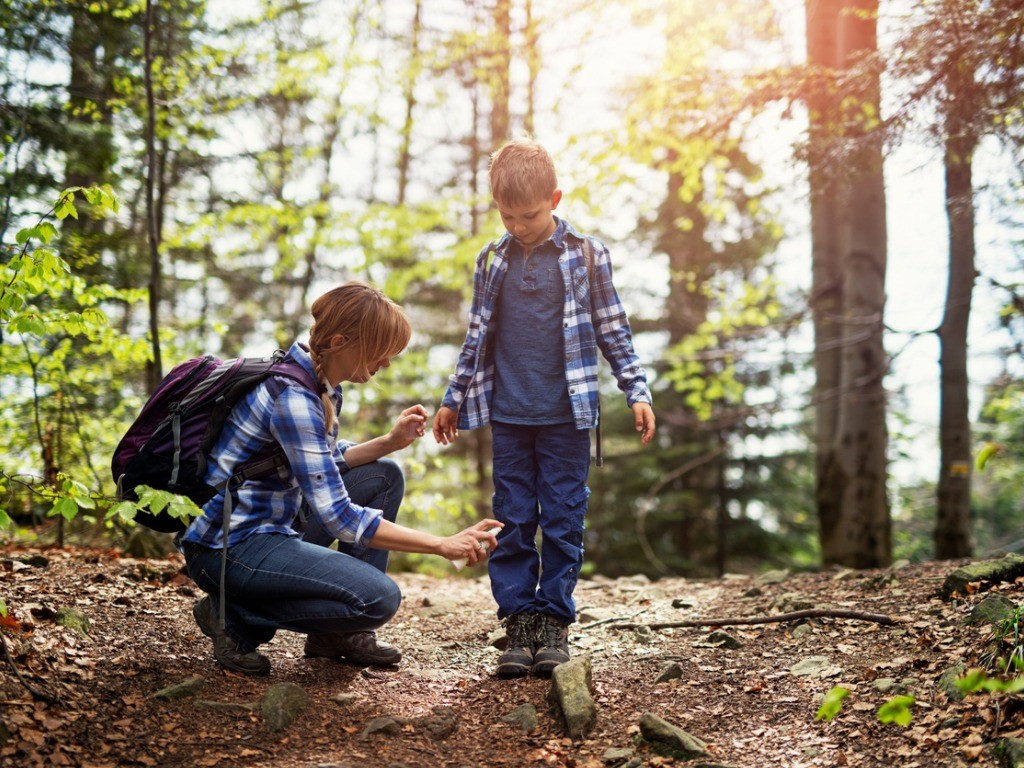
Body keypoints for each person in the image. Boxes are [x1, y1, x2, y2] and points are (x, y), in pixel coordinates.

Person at [179, 281, 501, 676]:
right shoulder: (294, 398)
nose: (386, 362)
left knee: (383, 476)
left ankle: (335, 636)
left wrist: (389, 442)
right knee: (378, 599)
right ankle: (232, 616)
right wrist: (441, 544)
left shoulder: (318, 384)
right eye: (381, 351)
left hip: (274, 525)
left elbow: (324, 464)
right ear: (341, 341)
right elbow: (339, 517)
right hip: (230, 546)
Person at [432, 137, 655, 678]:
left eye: (528, 214)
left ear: (554, 198)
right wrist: (452, 398)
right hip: (508, 416)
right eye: (507, 215)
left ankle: (552, 619)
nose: (517, 225)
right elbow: (477, 337)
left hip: (567, 419)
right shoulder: (492, 260)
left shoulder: (585, 255)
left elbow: (612, 328)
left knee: (561, 518)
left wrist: (637, 389)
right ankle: (518, 620)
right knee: (511, 518)